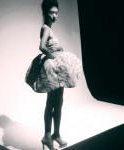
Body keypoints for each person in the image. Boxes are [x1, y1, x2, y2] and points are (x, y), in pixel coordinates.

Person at [25, 0, 82, 149]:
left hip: (57, 69)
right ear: (46, 13)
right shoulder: (45, 28)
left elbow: (52, 45)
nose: (55, 15)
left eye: (56, 12)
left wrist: (59, 48)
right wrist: (53, 56)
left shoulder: (50, 29)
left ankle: (56, 134)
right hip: (52, 68)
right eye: (52, 12)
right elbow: (42, 46)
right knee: (51, 102)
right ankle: (47, 136)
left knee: (59, 102)